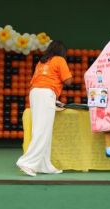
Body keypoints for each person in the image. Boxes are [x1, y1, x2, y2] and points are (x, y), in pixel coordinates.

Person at [16, 40, 73, 176]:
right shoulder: (59, 60)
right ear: (62, 52)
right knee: (42, 130)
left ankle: (45, 165)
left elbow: (36, 80)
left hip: (35, 93)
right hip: (46, 93)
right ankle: (27, 162)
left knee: (42, 130)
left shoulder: (42, 61)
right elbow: (68, 80)